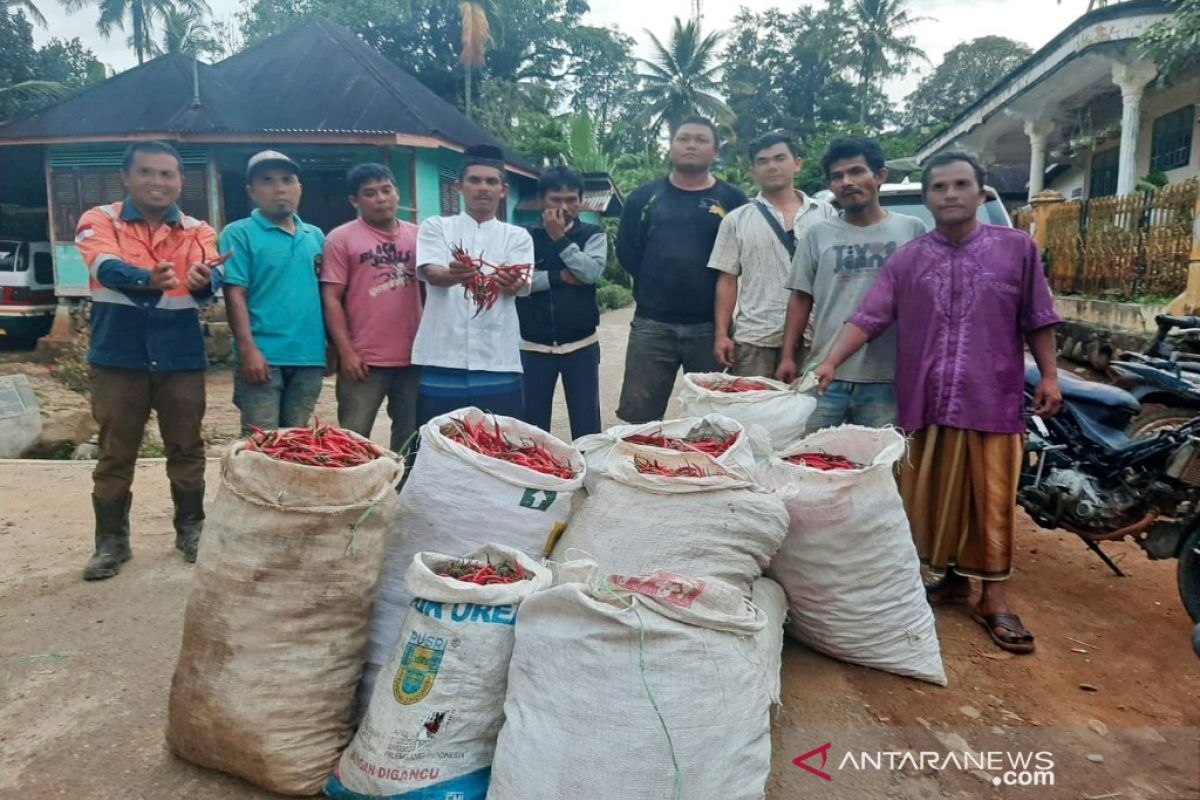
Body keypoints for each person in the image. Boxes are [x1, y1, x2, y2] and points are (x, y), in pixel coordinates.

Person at [812, 151, 1063, 654]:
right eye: (939, 187)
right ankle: (951, 582)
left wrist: (1051, 376)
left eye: (960, 185)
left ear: (981, 192)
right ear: (927, 198)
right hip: (924, 400)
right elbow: (871, 316)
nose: (949, 195)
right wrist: (830, 361)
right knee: (927, 496)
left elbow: (1038, 317)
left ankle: (995, 599)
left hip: (991, 399)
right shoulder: (908, 259)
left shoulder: (1017, 249)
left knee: (990, 502)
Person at [74, 140, 217, 579]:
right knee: (115, 453)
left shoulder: (199, 229)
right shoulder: (100, 219)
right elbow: (104, 267)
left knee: (187, 449)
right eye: (147, 172)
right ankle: (111, 543)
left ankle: (191, 529)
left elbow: (211, 280)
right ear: (126, 177)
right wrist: (146, 278)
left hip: (180, 359)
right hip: (119, 358)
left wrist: (200, 282)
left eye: (167, 174)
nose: (158, 182)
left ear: (180, 182)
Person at [776, 136, 926, 431]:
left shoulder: (911, 229)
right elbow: (800, 299)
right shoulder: (818, 235)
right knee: (810, 460)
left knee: (878, 466)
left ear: (880, 176)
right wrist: (788, 356)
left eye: (856, 171)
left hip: (887, 378)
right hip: (825, 373)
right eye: (837, 176)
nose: (846, 182)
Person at [615, 116, 749, 423]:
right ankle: (640, 469)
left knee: (713, 419)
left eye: (701, 140)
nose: (691, 145)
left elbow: (739, 261)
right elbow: (628, 253)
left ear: (716, 152)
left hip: (711, 329)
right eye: (683, 138)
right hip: (652, 326)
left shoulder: (733, 200)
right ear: (671, 147)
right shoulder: (644, 198)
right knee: (640, 416)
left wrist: (720, 324)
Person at [412, 144, 533, 425]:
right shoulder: (436, 227)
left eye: (491, 181)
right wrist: (455, 274)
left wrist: (509, 281)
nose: (483, 188)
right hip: (443, 355)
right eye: (474, 180)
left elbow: (520, 283)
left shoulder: (518, 236)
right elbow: (430, 271)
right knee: (439, 442)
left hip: (498, 357)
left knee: (498, 446)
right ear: (459, 187)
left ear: (502, 189)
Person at [709, 132, 835, 377]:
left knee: (810, 411)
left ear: (797, 163)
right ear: (752, 170)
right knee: (751, 411)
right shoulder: (736, 220)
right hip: (755, 338)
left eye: (780, 158)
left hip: (815, 336)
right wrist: (722, 334)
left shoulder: (826, 214)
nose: (772, 166)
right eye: (763, 161)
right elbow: (727, 279)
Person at [220, 150, 327, 434]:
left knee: (297, 441)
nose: (279, 188)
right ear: (251, 191)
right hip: (263, 357)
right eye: (267, 180)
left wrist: (332, 347)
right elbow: (235, 295)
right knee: (260, 442)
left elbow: (326, 296)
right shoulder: (239, 233)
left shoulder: (315, 236)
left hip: (309, 357)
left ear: (299, 188)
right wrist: (248, 350)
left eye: (287, 180)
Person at [321, 163, 423, 454]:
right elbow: (331, 297)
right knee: (352, 440)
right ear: (355, 200)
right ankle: (355, 497)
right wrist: (347, 353)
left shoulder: (419, 236)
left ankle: (404, 494)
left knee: (411, 437)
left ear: (397, 192)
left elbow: (432, 293)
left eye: (386, 190)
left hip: (414, 358)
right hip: (364, 362)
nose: (380, 198)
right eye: (369, 193)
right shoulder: (341, 239)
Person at [517, 166, 607, 438]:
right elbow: (520, 284)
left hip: (582, 345)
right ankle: (536, 479)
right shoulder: (524, 236)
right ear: (542, 200)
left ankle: (588, 476)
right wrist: (560, 277)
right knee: (532, 424)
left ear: (581, 201)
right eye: (556, 199)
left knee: (586, 422)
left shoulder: (593, 234)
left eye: (571, 199)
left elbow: (590, 273)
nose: (565, 206)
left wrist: (558, 236)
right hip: (533, 346)